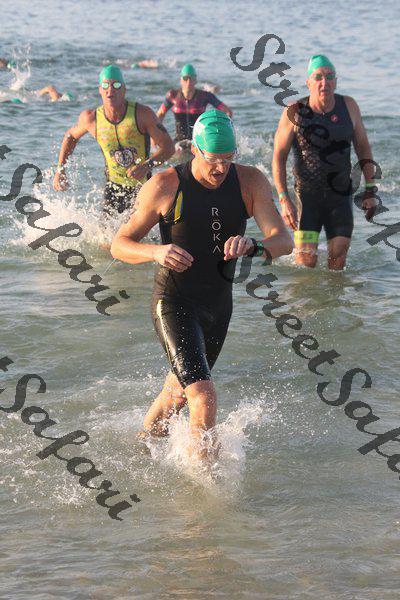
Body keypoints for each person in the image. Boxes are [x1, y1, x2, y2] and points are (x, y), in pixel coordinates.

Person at [111, 109, 293, 463]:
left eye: (228, 158)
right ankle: (204, 486)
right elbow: (120, 244)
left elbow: (283, 240)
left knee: (179, 392)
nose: (221, 168)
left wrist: (254, 245)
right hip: (174, 300)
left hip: (218, 306)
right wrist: (156, 252)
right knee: (204, 396)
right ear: (194, 149)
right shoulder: (165, 185)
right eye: (213, 159)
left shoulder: (250, 182)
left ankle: (142, 449)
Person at [272, 54, 377, 270]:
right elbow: (278, 158)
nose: (324, 82)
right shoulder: (294, 112)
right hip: (306, 198)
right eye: (318, 77)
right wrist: (283, 199)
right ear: (308, 82)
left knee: (338, 260)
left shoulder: (349, 106)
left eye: (330, 77)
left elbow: (363, 148)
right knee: (306, 264)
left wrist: (370, 189)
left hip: (340, 196)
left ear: (336, 82)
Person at [53, 65, 175, 217]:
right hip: (113, 188)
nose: (110, 90)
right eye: (105, 85)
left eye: (116, 85)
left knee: (139, 230)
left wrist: (147, 165)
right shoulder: (91, 119)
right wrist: (60, 170)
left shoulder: (142, 114)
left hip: (142, 187)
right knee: (106, 231)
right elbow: (70, 136)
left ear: (124, 89)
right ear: (100, 90)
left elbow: (169, 148)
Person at [157, 64, 232, 152]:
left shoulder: (205, 96)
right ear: (181, 80)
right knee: (174, 153)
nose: (188, 81)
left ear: (196, 80)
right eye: (185, 78)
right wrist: (157, 136)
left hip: (199, 141)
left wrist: (221, 133)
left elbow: (227, 112)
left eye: (191, 78)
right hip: (178, 142)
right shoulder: (172, 95)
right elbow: (160, 114)